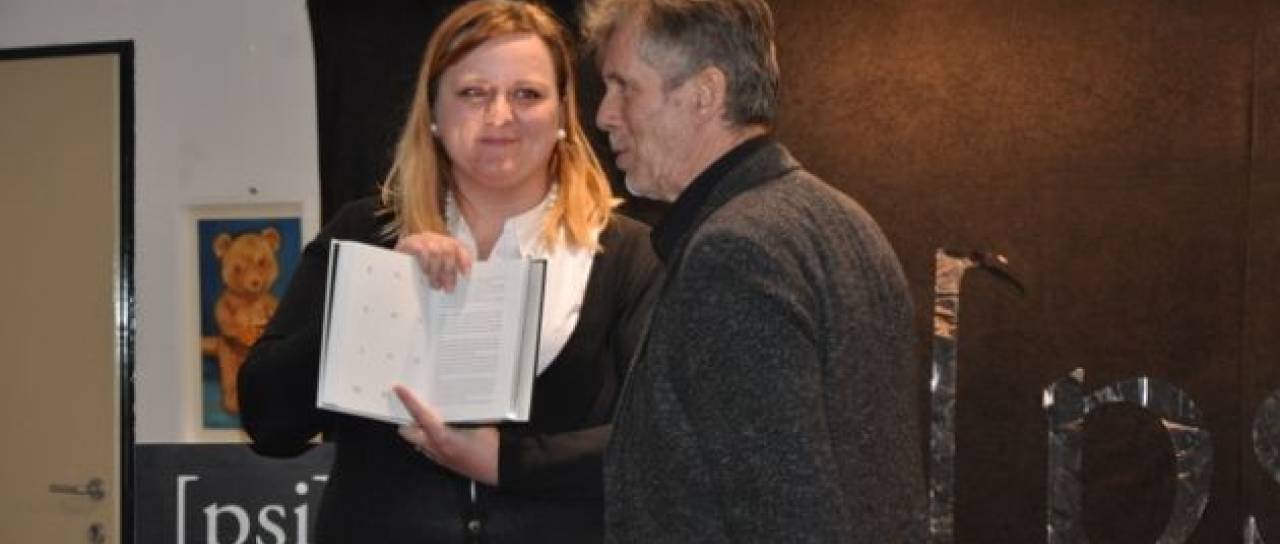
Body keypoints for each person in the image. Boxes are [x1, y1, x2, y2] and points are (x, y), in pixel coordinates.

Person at [238, 1, 659, 542]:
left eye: (527, 94)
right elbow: (269, 422)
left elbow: (654, 445)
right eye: (473, 93)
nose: (500, 115)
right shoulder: (366, 232)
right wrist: (381, 295)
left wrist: (507, 462)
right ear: (433, 113)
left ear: (562, 114)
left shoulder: (629, 255)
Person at [582, 0, 925, 541]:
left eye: (625, 87)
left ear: (705, 94)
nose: (604, 114)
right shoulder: (843, 218)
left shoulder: (734, 255)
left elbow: (786, 518)